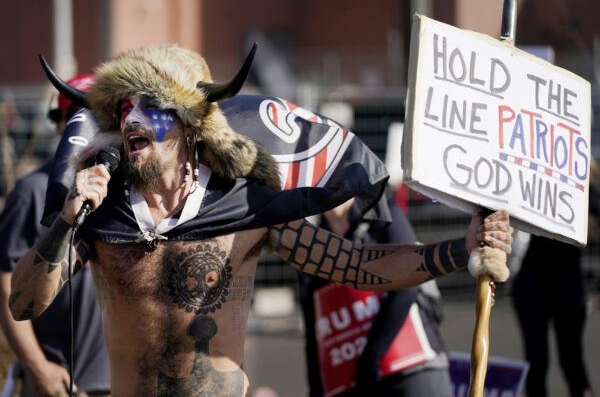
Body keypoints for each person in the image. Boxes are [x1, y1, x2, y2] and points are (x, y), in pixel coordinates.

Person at [9, 44, 513, 397]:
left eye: (152, 107)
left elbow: (358, 267)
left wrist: (462, 250)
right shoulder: (104, 214)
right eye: (122, 109)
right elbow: (25, 302)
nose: (132, 120)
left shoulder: (242, 207)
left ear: (190, 126)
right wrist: (66, 221)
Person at [0, 75, 111, 396]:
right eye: (77, 114)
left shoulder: (124, 193)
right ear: (60, 124)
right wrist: (38, 367)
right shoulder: (32, 192)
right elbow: (5, 284)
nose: (89, 124)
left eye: (99, 114)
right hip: (60, 384)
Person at [298, 198, 453, 397]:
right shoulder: (309, 245)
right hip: (356, 381)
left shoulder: (385, 216)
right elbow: (314, 331)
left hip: (412, 367)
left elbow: (408, 284)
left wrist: (372, 355)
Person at [511, 158, 598, 397]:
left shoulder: (586, 193)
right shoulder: (538, 184)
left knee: (572, 360)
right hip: (534, 282)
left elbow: (584, 232)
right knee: (536, 361)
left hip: (566, 284)